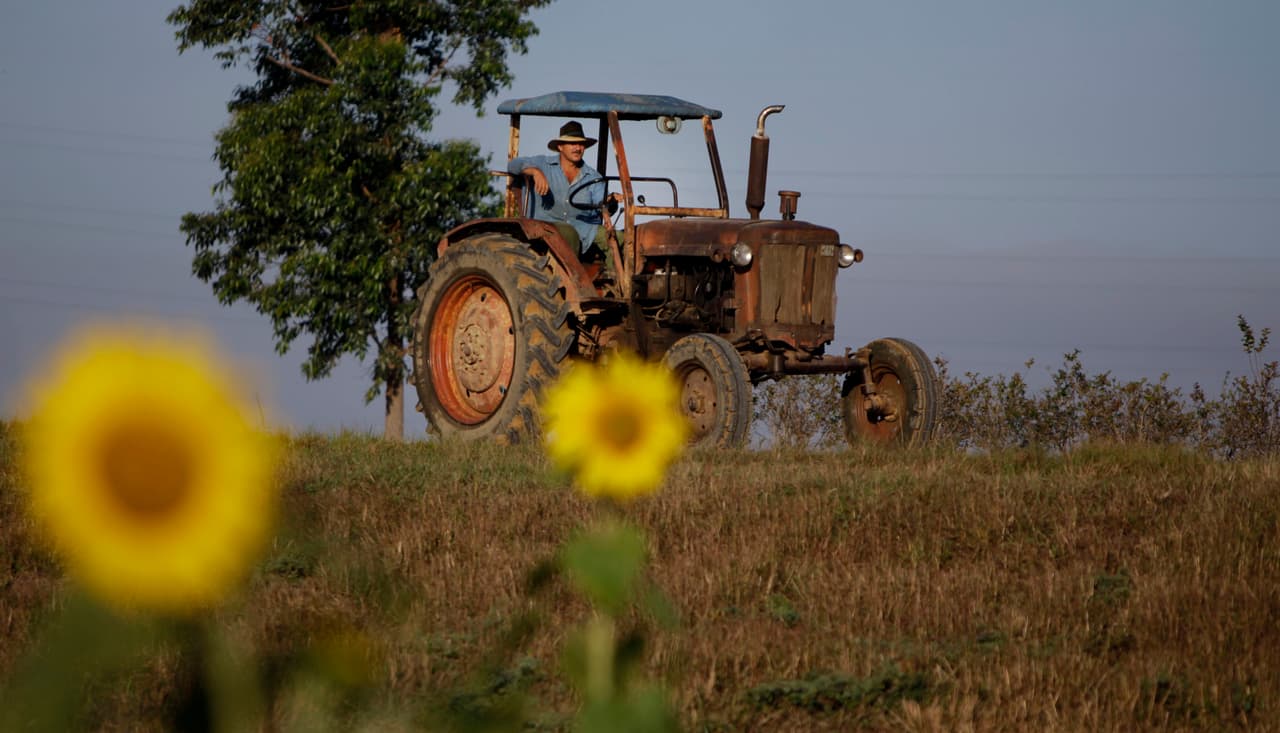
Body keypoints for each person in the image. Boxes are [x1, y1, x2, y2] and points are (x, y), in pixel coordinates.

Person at [508, 121, 622, 253]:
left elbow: (600, 202)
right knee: (569, 234)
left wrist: (610, 201)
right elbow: (513, 165)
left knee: (617, 238)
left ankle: (615, 273)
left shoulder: (593, 177)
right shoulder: (542, 164)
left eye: (581, 144)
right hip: (543, 228)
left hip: (583, 230)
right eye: (573, 143)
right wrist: (535, 172)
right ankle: (569, 273)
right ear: (560, 147)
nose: (578, 148)